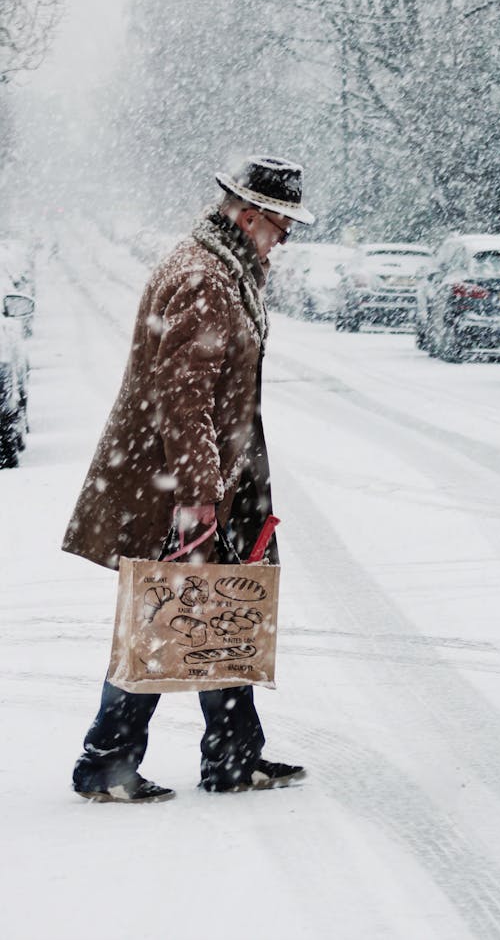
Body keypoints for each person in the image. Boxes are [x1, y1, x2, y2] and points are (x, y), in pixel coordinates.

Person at [62, 155, 315, 803]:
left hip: (213, 473)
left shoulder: (223, 267)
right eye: (282, 222)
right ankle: (107, 761)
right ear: (251, 213)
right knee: (162, 609)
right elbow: (185, 396)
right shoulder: (205, 276)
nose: (285, 236)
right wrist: (200, 495)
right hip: (181, 481)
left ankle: (233, 753)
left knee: (219, 605)